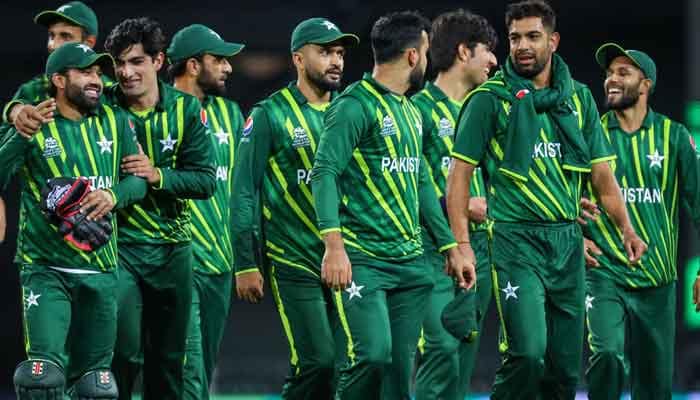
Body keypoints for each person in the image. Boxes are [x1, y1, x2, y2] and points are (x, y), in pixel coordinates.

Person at [446, 1, 647, 398]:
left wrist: (627, 228)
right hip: (515, 242)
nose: (522, 45)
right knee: (527, 354)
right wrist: (463, 245)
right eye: (515, 37)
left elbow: (602, 178)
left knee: (564, 369)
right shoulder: (489, 100)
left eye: (533, 36)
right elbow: (459, 179)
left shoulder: (578, 99)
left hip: (567, 244)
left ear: (553, 41)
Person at [310, 11, 474, 399]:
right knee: (372, 356)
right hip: (364, 261)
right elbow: (324, 172)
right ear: (413, 55)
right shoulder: (354, 105)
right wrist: (334, 246)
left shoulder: (411, 111)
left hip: (410, 264)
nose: (428, 60)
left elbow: (421, 183)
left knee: (398, 374)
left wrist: (450, 246)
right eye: (426, 52)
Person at [0, 42, 147, 399]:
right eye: (85, 72)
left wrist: (113, 195)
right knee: (41, 380)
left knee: (97, 387)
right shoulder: (34, 123)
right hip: (46, 269)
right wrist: (19, 136)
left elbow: (138, 181)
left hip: (102, 271)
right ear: (59, 80)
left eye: (97, 72)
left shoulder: (115, 121)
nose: (96, 80)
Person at [232, 17, 358, 399]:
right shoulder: (270, 114)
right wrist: (246, 261)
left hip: (350, 258)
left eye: (340, 53)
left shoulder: (352, 110)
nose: (336, 61)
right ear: (299, 59)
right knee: (318, 361)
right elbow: (244, 190)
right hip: (294, 257)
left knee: (346, 366)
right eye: (325, 52)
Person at [103, 17, 216, 399]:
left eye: (136, 61)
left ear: (157, 61)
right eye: (119, 63)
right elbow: (49, 92)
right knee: (123, 354)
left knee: (168, 362)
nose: (125, 72)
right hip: (119, 249)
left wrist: (157, 175)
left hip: (172, 251)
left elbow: (206, 181)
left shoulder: (186, 109)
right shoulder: (102, 105)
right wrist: (14, 109)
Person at [584, 43, 700, 400]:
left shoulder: (674, 136)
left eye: (623, 73)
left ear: (645, 84)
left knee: (654, 387)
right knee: (607, 355)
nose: (611, 79)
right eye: (609, 73)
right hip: (603, 274)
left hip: (657, 281)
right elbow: (564, 197)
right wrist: (576, 236)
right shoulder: (589, 133)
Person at [411, 9, 497, 400]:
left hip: (480, 250)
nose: (493, 60)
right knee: (441, 350)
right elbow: (404, 186)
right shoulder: (418, 110)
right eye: (487, 50)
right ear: (464, 52)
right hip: (432, 251)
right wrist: (456, 207)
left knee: (463, 356)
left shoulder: (485, 110)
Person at [167, 23, 245, 400]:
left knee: (203, 367)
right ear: (193, 65)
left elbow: (243, 187)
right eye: (219, 60)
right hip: (177, 259)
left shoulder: (231, 114)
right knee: (189, 370)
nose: (228, 67)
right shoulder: (158, 112)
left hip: (220, 263)